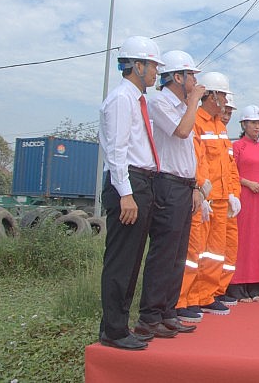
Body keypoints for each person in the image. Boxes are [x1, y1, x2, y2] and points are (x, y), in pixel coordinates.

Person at [98, 36, 163, 350]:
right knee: (121, 261)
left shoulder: (139, 100)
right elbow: (116, 150)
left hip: (142, 182)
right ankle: (112, 330)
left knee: (132, 260)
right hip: (128, 182)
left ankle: (119, 325)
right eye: (152, 66)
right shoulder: (122, 99)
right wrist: (125, 194)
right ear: (137, 65)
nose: (155, 73)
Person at [135, 50, 204, 340]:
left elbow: (189, 152)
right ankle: (149, 317)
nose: (196, 81)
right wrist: (194, 103)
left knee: (177, 255)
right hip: (166, 184)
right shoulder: (160, 102)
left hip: (184, 185)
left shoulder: (181, 105)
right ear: (178, 77)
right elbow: (182, 132)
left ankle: (167, 312)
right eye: (192, 76)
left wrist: (196, 186)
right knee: (164, 253)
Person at [176, 71, 241, 321]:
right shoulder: (198, 122)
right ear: (212, 95)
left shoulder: (219, 127)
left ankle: (206, 296)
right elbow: (196, 161)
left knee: (215, 252)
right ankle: (184, 300)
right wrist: (201, 193)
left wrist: (233, 194)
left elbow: (229, 165)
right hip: (205, 199)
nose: (225, 100)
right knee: (194, 252)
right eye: (223, 94)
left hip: (222, 198)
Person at [228, 105, 259, 302]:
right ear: (244, 124)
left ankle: (255, 284)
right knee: (241, 240)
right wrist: (248, 183)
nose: (257, 127)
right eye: (253, 123)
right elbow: (230, 171)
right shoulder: (237, 146)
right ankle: (237, 285)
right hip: (243, 198)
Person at [215, 92, 240, 305]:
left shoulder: (223, 135)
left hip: (226, 200)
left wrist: (234, 194)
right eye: (225, 111)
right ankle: (202, 294)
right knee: (208, 251)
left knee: (228, 248)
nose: (227, 115)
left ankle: (219, 289)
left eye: (230, 112)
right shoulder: (204, 128)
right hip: (212, 200)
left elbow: (231, 170)